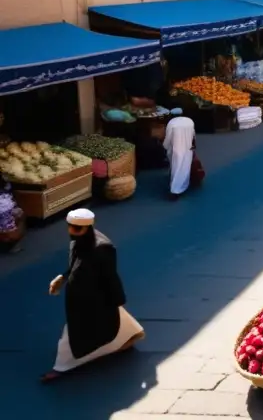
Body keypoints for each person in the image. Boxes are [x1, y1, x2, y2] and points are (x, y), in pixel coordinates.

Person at [41, 209, 144, 382]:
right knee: (114, 319)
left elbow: (110, 276)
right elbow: (74, 264)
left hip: (95, 299)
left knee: (72, 334)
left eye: (76, 229)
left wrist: (117, 299)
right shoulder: (78, 241)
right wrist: (63, 277)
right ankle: (130, 336)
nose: (72, 232)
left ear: (87, 228)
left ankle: (61, 366)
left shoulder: (103, 248)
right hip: (80, 299)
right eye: (70, 227)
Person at [163, 115, 196, 199]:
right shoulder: (189, 121)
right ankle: (180, 187)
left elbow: (168, 138)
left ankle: (174, 189)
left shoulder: (172, 123)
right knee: (185, 168)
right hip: (188, 149)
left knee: (176, 168)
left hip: (176, 149)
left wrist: (166, 146)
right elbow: (193, 135)